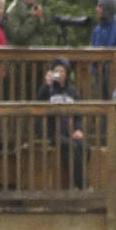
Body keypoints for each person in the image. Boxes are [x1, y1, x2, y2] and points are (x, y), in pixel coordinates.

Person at [38, 57, 88, 186]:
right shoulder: (48, 90)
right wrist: (46, 85)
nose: (59, 74)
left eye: (62, 71)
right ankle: (82, 185)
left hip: (70, 131)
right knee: (70, 147)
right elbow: (38, 103)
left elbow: (79, 115)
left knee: (83, 147)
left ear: (67, 74)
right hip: (53, 132)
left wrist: (78, 129)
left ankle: (78, 180)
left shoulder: (73, 92)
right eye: (56, 71)